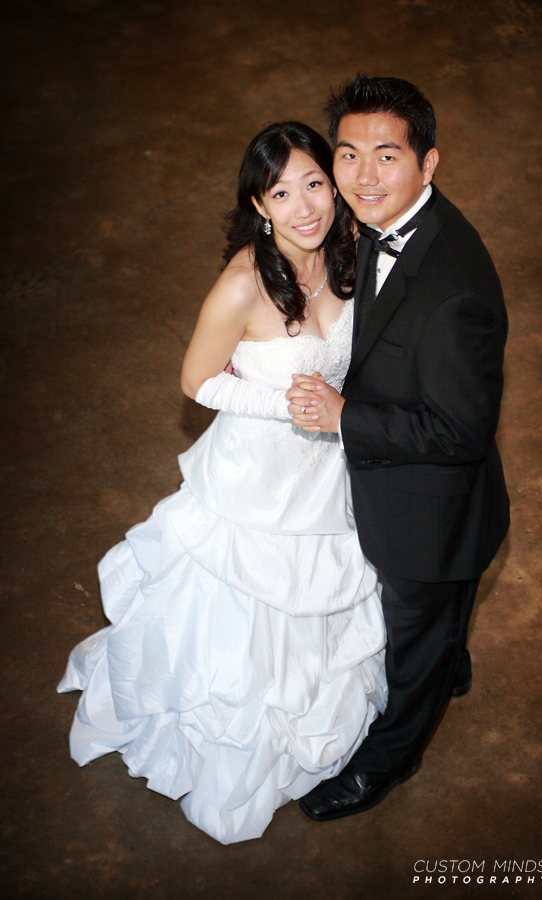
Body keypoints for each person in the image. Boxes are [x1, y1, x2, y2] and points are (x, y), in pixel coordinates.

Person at [57, 121, 387, 845]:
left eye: (316, 184)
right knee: (237, 610)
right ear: (258, 205)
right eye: (282, 192)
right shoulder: (242, 285)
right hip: (257, 478)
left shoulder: (352, 249)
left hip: (331, 471)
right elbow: (197, 380)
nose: (306, 207)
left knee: (327, 591)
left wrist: (345, 412)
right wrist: (288, 406)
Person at [288, 75, 510, 821]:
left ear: (430, 162)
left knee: (413, 640)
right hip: (413, 493)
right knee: (436, 629)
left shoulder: (455, 293)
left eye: (388, 156)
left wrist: (343, 418)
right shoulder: (380, 225)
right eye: (349, 155)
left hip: (431, 514)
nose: (363, 176)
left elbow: (460, 432)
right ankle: (450, 656)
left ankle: (390, 759)